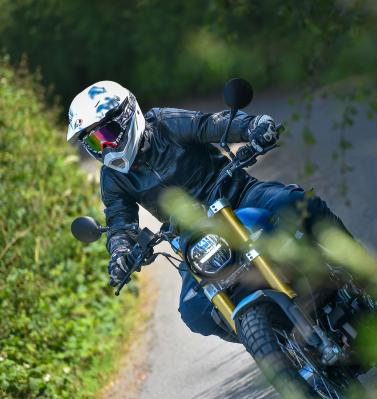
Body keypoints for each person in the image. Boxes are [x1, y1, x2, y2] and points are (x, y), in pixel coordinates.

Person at [66, 80, 349, 339]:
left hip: (237, 195)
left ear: (128, 116)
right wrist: (120, 254)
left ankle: (361, 272)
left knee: (297, 204)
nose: (103, 145)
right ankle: (278, 341)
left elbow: (210, 124)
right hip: (192, 236)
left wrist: (253, 126)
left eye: (106, 133)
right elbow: (119, 221)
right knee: (195, 313)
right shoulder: (113, 177)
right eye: (92, 141)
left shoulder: (165, 123)